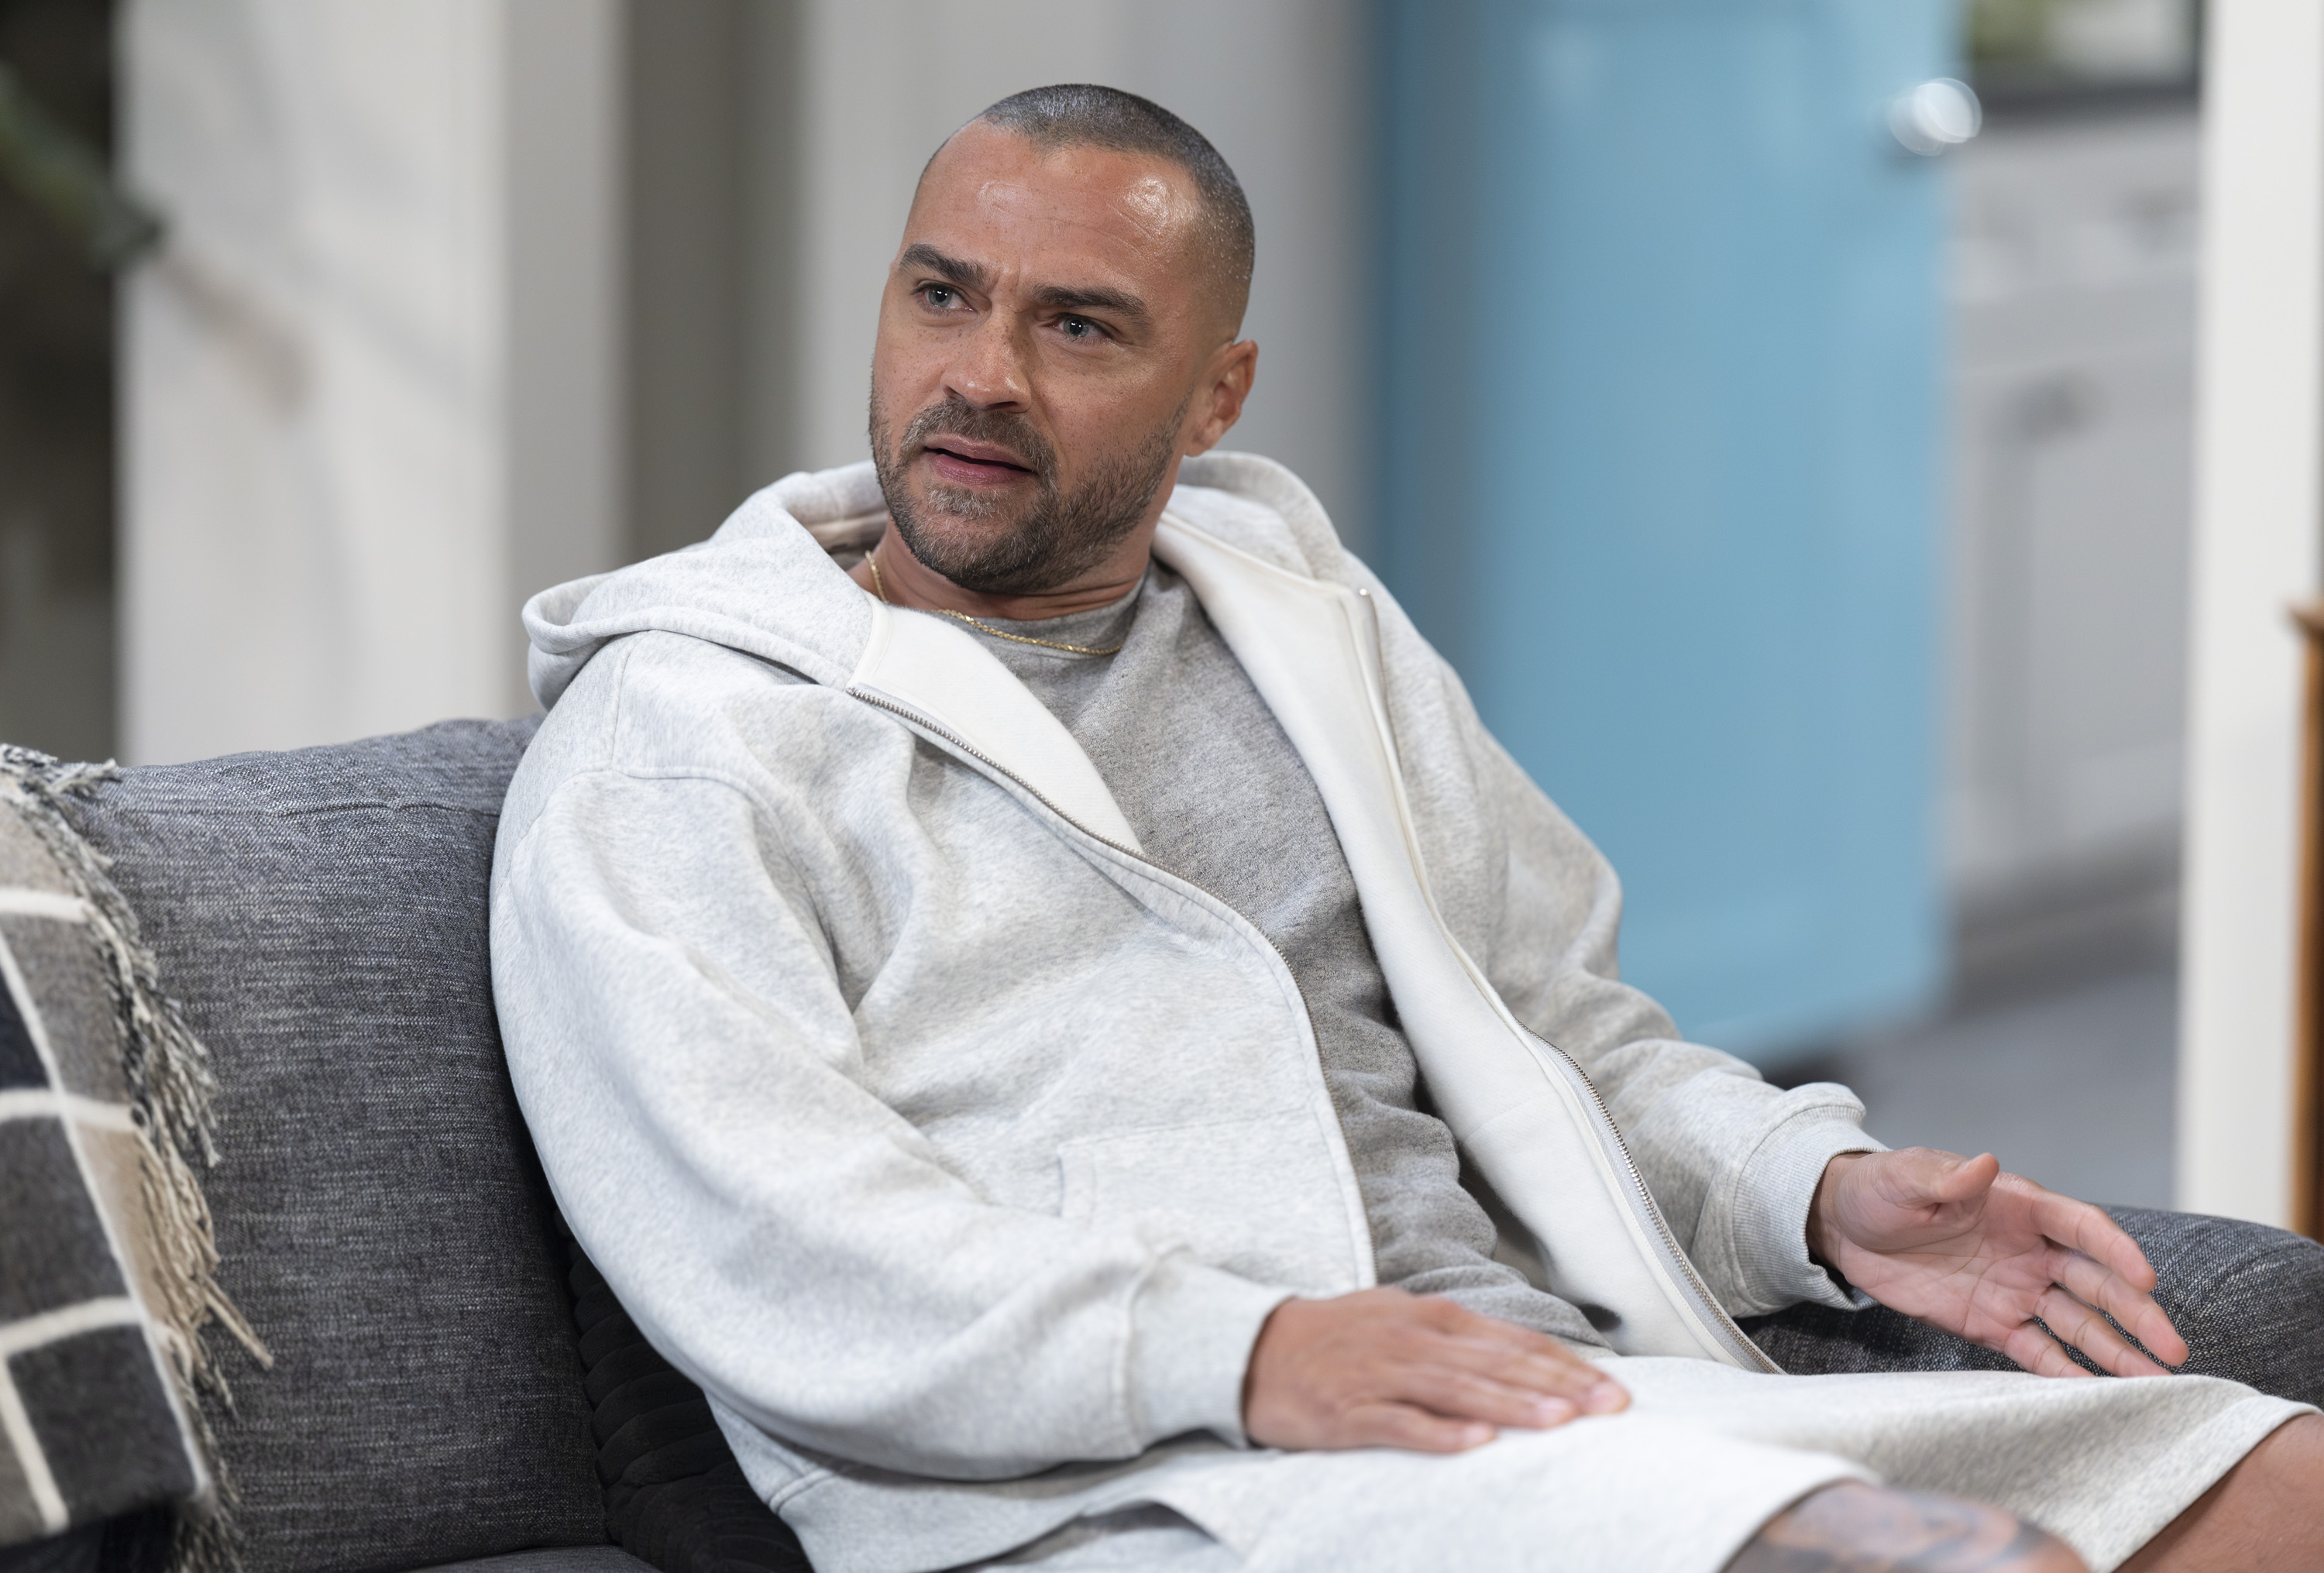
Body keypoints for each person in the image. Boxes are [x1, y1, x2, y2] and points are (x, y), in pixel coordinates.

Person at [490, 85, 2322, 1573]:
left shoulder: (1300, 623)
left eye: (1080, 325)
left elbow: (1561, 1032)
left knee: (2290, 1490)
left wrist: (1810, 1192)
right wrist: (1252, 1348)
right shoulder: (686, 741)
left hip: (1534, 1402)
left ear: (1217, 397)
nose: (981, 373)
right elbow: (773, 1240)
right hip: (1130, 1482)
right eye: (942, 294)